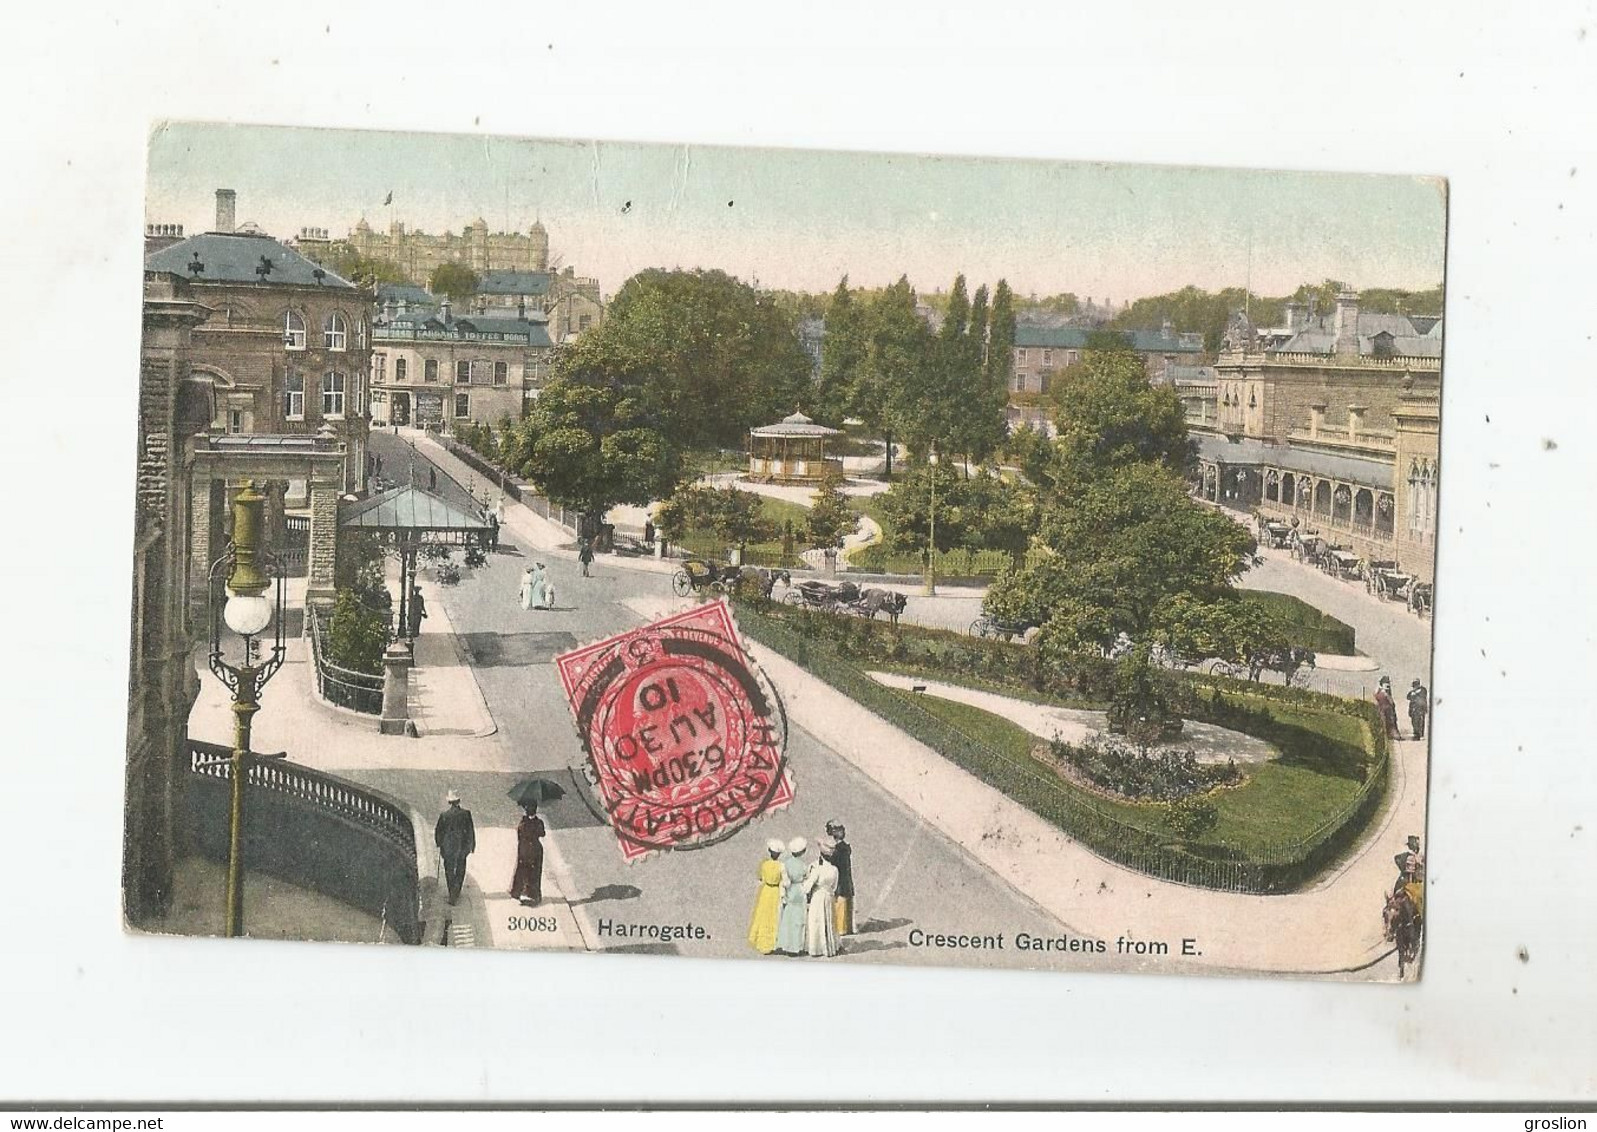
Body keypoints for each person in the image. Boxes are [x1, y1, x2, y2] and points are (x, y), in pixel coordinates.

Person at [433, 790, 475, 905]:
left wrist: (439, 844)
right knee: (461, 869)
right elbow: (470, 831)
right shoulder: (466, 814)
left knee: (449, 870)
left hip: (448, 847)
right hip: (462, 846)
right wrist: (472, 845)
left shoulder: (444, 815)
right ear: (459, 801)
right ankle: (456, 891)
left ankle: (452, 892)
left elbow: (438, 832)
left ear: (449, 802)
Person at [746, 839, 785, 954]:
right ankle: (771, 943)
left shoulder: (764, 864)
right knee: (773, 917)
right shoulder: (781, 866)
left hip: (766, 891)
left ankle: (761, 942)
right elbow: (784, 880)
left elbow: (760, 877)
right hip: (776, 891)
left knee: (763, 915)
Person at [803, 844, 841, 958]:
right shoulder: (835, 869)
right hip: (829, 896)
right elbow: (834, 887)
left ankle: (816, 947)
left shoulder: (817, 870)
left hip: (818, 897)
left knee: (815, 921)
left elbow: (807, 887)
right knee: (829, 920)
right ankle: (829, 945)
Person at [775, 837, 810, 956]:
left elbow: (784, 879)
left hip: (790, 890)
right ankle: (796, 946)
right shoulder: (803, 865)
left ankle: (785, 944)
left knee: (787, 918)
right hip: (799, 890)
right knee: (798, 919)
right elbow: (807, 878)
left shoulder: (786, 863)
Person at [821, 820, 855, 936]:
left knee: (840, 902)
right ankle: (847, 927)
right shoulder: (845, 847)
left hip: (840, 881)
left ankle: (841, 928)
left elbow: (831, 860)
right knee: (847, 900)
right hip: (846, 879)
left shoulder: (839, 849)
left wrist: (824, 850)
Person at [510, 802, 546, 906]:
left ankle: (519, 892)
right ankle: (533, 894)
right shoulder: (539, 822)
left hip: (524, 849)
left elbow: (519, 835)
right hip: (536, 849)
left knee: (522, 870)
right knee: (535, 872)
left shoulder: (523, 822)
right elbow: (542, 833)